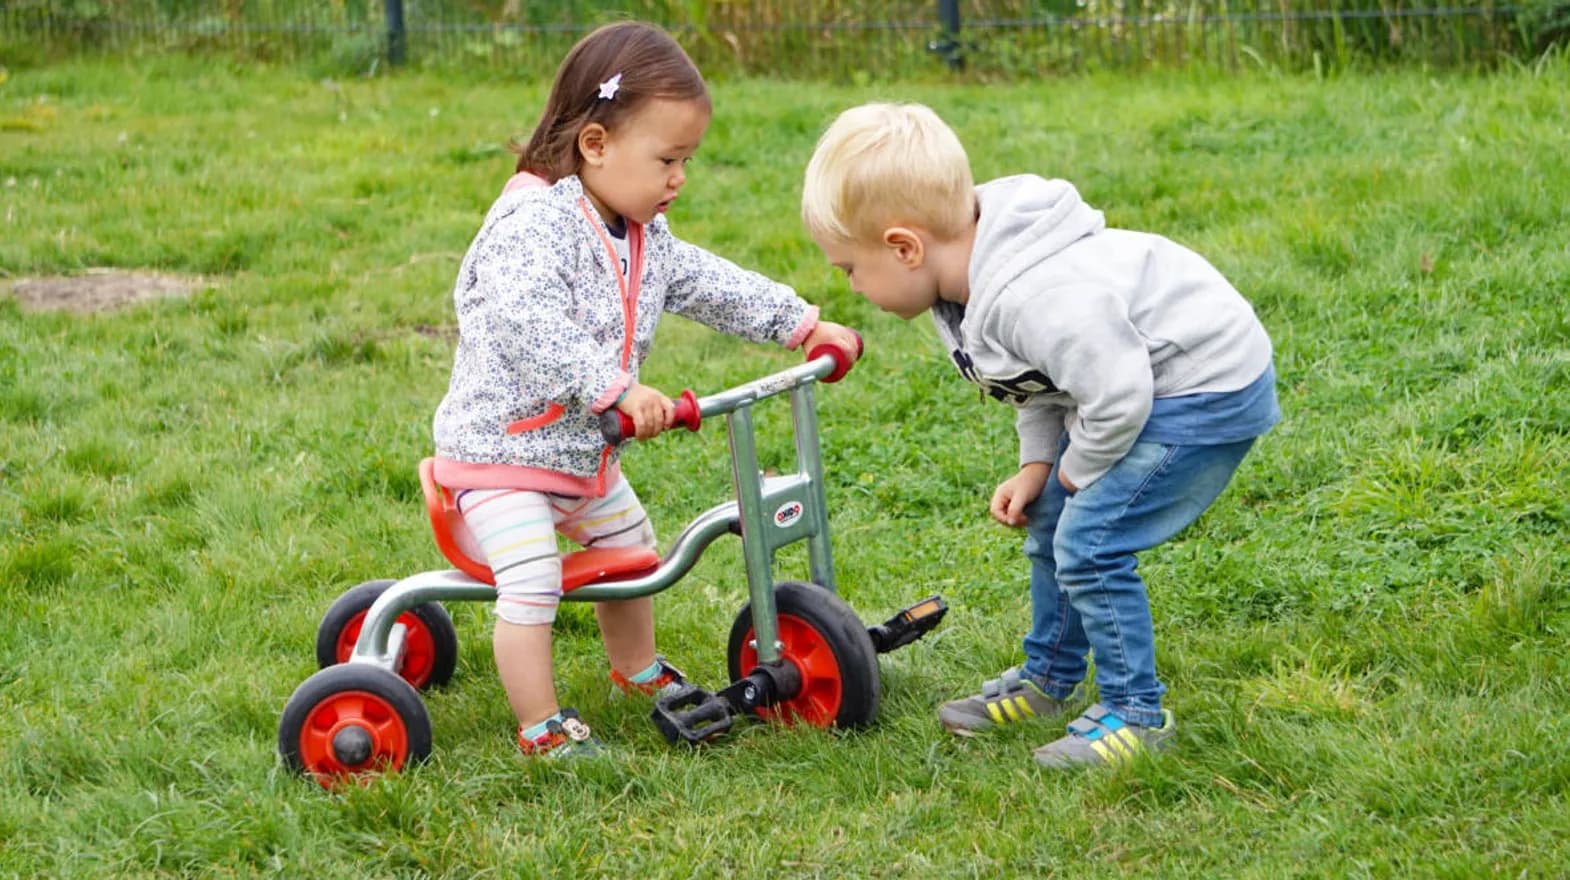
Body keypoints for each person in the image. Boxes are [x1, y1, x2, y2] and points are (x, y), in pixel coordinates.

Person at [800, 103, 1278, 769]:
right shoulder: (965, 281)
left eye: (849, 268)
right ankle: (1049, 680)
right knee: (1050, 511)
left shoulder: (1031, 294)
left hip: (1203, 388)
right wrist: (1038, 467)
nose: (851, 284)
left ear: (904, 247)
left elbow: (1117, 394)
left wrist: (1075, 472)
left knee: (1089, 539)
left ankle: (1136, 714)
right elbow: (1040, 380)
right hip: (1140, 385)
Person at [432, 21, 860, 759]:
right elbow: (528, 322)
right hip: (501, 457)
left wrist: (801, 323)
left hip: (581, 460)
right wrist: (613, 388)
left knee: (633, 552)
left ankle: (634, 668)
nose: (678, 178)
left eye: (685, 159)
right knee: (533, 579)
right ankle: (542, 725)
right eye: (666, 158)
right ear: (595, 145)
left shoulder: (639, 230)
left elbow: (707, 282)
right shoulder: (530, 226)